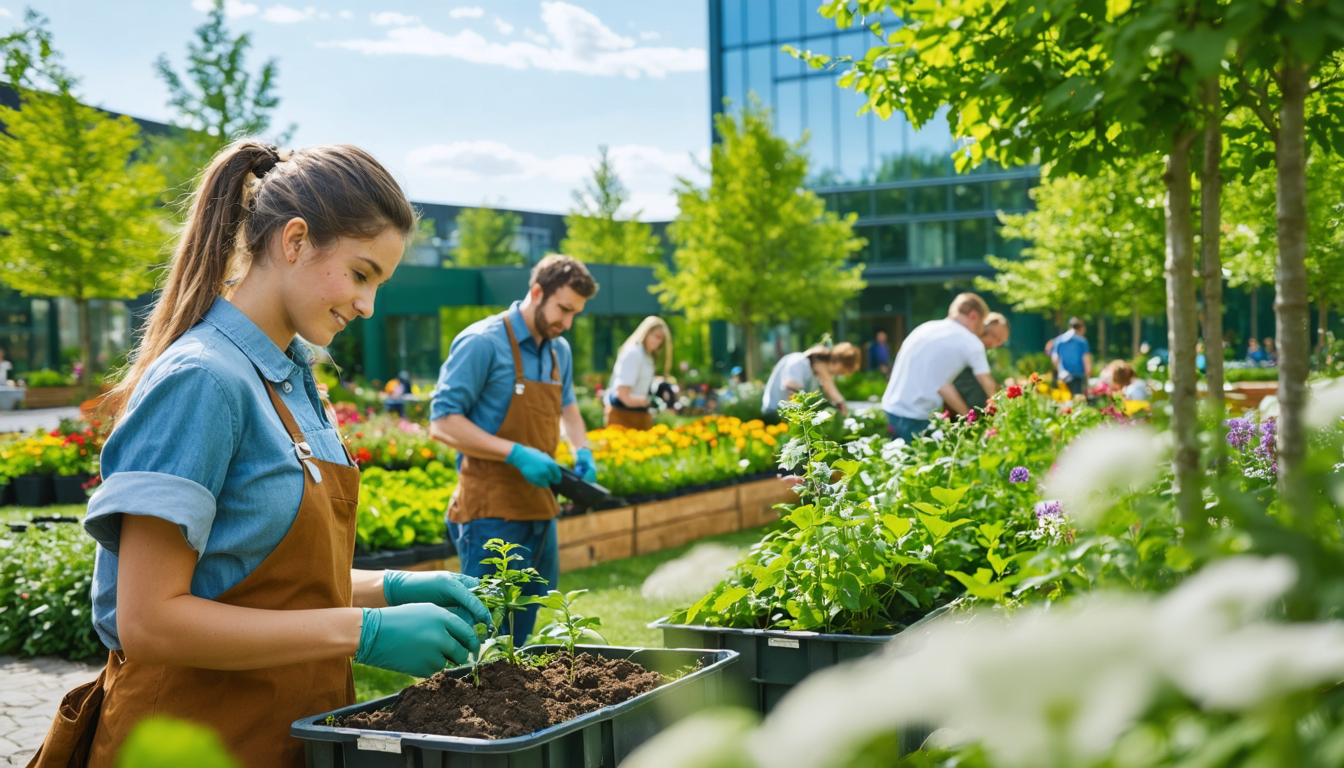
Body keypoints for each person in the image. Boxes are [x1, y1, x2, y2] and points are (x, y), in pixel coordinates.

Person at [28, 141, 491, 768]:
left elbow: (250, 580)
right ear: (294, 241)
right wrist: (364, 632)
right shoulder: (205, 379)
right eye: (360, 274)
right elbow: (150, 620)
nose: (367, 305)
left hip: (285, 734)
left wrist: (393, 587)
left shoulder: (292, 381)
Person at [429, 254, 598, 644]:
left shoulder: (560, 350)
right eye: (563, 309)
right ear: (537, 292)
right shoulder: (482, 342)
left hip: (541, 509)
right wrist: (515, 453)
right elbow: (442, 423)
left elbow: (568, 408)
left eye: (575, 314)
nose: (567, 322)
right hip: (489, 514)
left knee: (519, 637)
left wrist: (582, 450)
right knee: (480, 638)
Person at [882, 293, 997, 443]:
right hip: (915, 417)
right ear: (974, 316)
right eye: (982, 324)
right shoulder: (971, 342)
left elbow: (940, 383)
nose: (981, 331)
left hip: (892, 409)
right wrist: (994, 417)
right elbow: (986, 383)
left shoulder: (926, 328)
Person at [604, 316, 672, 431]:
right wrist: (648, 402)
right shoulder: (634, 353)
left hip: (639, 415)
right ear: (646, 333)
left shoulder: (648, 356)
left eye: (660, 338)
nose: (657, 341)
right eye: (655, 336)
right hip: (622, 416)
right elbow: (623, 394)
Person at [760, 342, 861, 415]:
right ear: (834, 362)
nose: (838, 374)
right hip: (774, 415)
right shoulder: (798, 362)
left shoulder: (817, 376)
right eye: (842, 371)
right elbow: (792, 392)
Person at [950, 313, 1010, 411]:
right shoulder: (971, 346)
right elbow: (984, 380)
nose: (997, 344)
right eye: (996, 337)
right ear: (983, 328)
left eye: (1002, 341)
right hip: (959, 409)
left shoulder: (985, 352)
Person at [1051, 317, 1093, 397]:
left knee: (1064, 400)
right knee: (1077, 401)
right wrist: (1088, 375)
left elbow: (1055, 358)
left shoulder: (1059, 340)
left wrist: (1058, 371)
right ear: (1081, 328)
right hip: (1077, 376)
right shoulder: (1082, 341)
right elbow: (1086, 359)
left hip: (1063, 376)